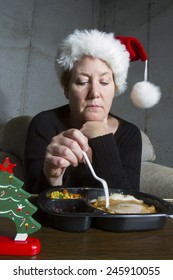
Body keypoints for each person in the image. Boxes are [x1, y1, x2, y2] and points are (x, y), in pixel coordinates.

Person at [24, 29, 161, 194]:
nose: (95, 92)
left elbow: (128, 206)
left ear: (115, 88)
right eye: (82, 82)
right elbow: (30, 206)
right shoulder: (44, 124)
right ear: (67, 89)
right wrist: (52, 178)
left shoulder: (129, 134)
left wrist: (103, 140)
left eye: (104, 82)